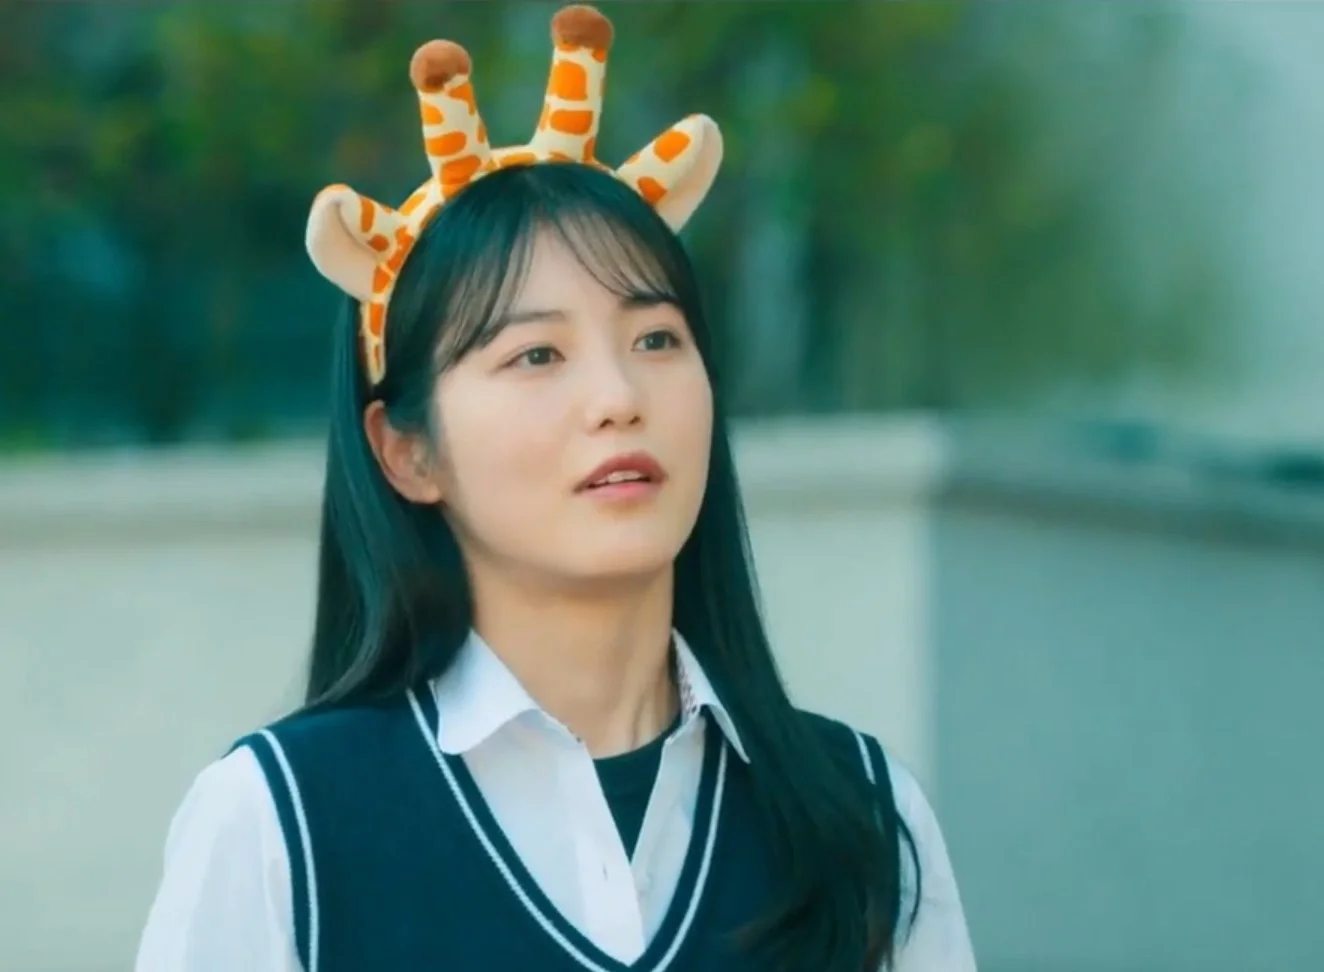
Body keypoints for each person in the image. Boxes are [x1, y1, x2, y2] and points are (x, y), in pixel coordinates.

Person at [134, 5, 977, 971]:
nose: (618, 399)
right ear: (407, 451)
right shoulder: (281, 827)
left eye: (655, 339)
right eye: (536, 354)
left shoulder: (862, 817)